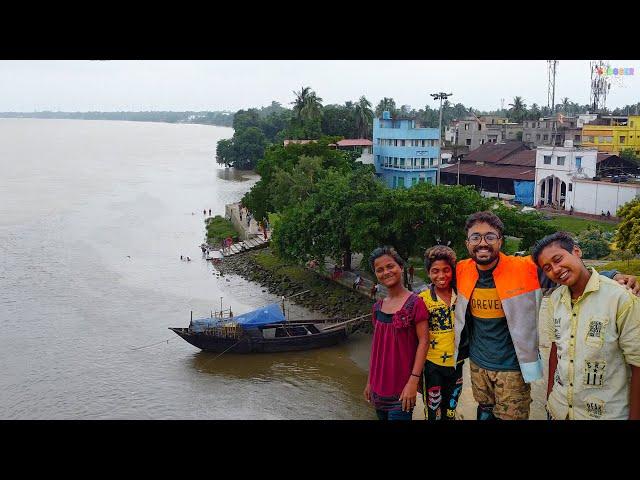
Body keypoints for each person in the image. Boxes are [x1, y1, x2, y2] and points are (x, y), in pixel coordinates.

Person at [453, 211, 637, 420]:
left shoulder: (524, 268)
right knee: (484, 410)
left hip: (512, 367)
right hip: (478, 363)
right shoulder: (461, 270)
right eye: (475, 237)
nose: (483, 243)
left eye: (490, 237)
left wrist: (612, 275)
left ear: (500, 241)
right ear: (467, 243)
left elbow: (567, 272)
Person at [533, 232, 640, 420]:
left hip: (604, 414)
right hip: (559, 409)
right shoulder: (555, 300)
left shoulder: (620, 298)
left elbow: (637, 363)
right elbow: (555, 350)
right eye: (547, 267)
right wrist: (551, 398)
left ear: (576, 251)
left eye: (558, 259)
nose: (556, 270)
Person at [364, 246, 429, 420]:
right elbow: (377, 348)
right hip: (377, 390)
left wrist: (413, 382)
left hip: (401, 392)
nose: (386, 272)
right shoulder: (377, 308)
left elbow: (424, 342)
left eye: (390, 266)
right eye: (380, 270)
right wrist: (370, 381)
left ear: (400, 267)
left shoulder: (415, 304)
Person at [418, 246, 465, 421]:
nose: (441, 275)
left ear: (452, 271)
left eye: (446, 270)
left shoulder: (462, 296)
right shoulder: (422, 299)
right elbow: (416, 338)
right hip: (431, 366)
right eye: (435, 271)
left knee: (451, 409)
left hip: (457, 364)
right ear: (428, 273)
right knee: (433, 411)